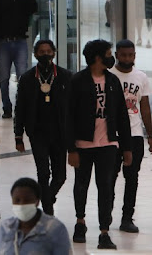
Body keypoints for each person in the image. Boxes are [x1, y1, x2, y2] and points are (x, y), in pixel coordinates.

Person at [66, 39, 132, 249]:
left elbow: (122, 116)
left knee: (105, 187)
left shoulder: (112, 81)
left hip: (108, 145)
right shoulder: (77, 81)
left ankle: (105, 231)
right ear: (97, 57)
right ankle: (80, 222)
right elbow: (68, 117)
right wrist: (71, 148)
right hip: (83, 144)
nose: (110, 57)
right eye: (107, 53)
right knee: (81, 185)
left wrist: (127, 147)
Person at [14, 39, 71, 216]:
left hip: (60, 132)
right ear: (35, 54)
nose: (45, 54)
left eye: (48, 51)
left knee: (60, 176)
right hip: (37, 131)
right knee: (43, 172)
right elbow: (20, 108)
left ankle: (46, 198)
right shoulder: (27, 78)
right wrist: (18, 135)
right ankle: (48, 210)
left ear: (54, 53)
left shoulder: (65, 76)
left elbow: (73, 106)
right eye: (41, 51)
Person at [109, 39, 152, 232]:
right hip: (111, 135)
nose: (127, 58)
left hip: (134, 135)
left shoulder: (141, 77)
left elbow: (144, 107)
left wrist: (150, 134)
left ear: (135, 56)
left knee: (132, 178)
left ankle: (127, 217)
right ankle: (105, 214)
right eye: (123, 55)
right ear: (116, 55)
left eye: (131, 55)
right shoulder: (109, 76)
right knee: (108, 177)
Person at [0, 179, 72, 255]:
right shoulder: (6, 227)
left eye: (27, 200)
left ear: (37, 201)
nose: (21, 204)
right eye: (17, 200)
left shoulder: (55, 229)